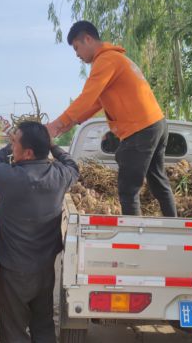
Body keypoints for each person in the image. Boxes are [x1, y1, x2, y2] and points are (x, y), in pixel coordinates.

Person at [45, 20, 177, 217]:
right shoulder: (115, 59)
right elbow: (97, 102)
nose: (77, 55)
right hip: (156, 124)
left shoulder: (105, 61)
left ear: (87, 39)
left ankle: (133, 239)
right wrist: (69, 123)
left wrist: (56, 125)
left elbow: (87, 97)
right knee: (158, 180)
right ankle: (173, 225)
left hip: (139, 130)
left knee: (128, 189)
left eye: (77, 48)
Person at [0, 121, 79, 343]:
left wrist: (7, 149)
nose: (12, 144)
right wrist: (53, 146)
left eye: (14, 142)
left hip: (14, 271)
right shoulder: (59, 176)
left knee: (14, 328)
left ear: (27, 153)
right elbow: (73, 166)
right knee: (43, 323)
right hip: (45, 270)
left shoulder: (7, 176)